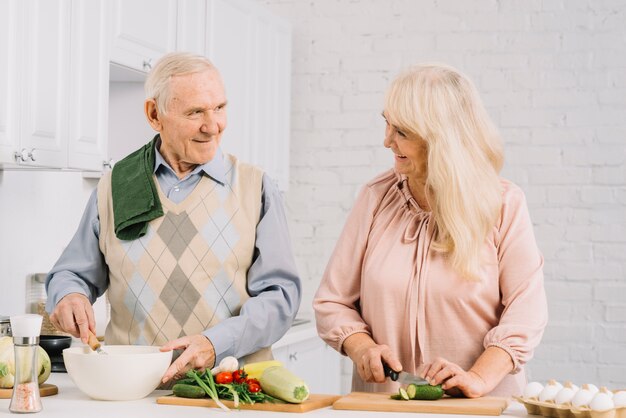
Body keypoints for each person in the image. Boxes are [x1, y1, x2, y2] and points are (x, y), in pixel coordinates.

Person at [46, 52, 301, 383]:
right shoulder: (117, 186)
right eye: (195, 112)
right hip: (134, 392)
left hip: (231, 392)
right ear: (155, 114)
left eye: (220, 108)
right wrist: (69, 295)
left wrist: (217, 343)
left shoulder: (256, 187)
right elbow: (73, 273)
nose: (213, 126)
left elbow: (281, 297)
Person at [313, 63, 548, 398]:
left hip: (478, 406)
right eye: (387, 124)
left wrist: (477, 378)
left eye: (402, 132)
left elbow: (526, 314)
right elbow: (332, 301)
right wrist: (362, 348)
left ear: (443, 139)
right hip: (387, 406)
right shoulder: (375, 197)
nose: (386, 141)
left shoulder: (503, 204)